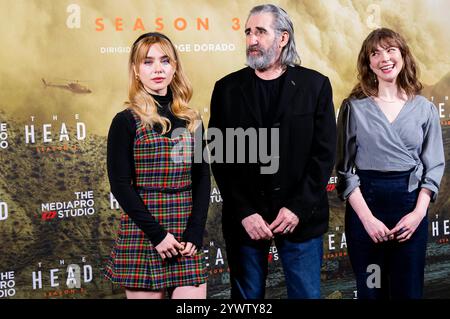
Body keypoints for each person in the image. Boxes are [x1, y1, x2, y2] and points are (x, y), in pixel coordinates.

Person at [208, 4, 336, 299]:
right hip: (246, 223)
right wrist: (245, 211)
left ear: (283, 38)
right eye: (248, 32)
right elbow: (220, 158)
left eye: (260, 32)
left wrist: (297, 208)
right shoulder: (226, 89)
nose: (252, 39)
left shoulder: (315, 86)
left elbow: (324, 155)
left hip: (300, 219)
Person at [336, 28, 445, 299]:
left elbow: (433, 167)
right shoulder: (354, 108)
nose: (384, 58)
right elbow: (345, 171)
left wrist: (418, 215)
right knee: (371, 291)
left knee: (408, 292)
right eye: (375, 53)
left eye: (390, 50)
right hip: (366, 212)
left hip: (410, 210)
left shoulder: (425, 109)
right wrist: (367, 220)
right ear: (368, 63)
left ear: (403, 56)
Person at [104, 32, 210, 299]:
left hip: (185, 232)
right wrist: (158, 235)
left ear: (175, 67)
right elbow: (119, 185)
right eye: (148, 62)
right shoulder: (125, 120)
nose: (158, 68)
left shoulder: (192, 119)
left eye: (165, 60)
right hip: (144, 232)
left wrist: (195, 231)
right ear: (136, 71)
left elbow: (202, 178)